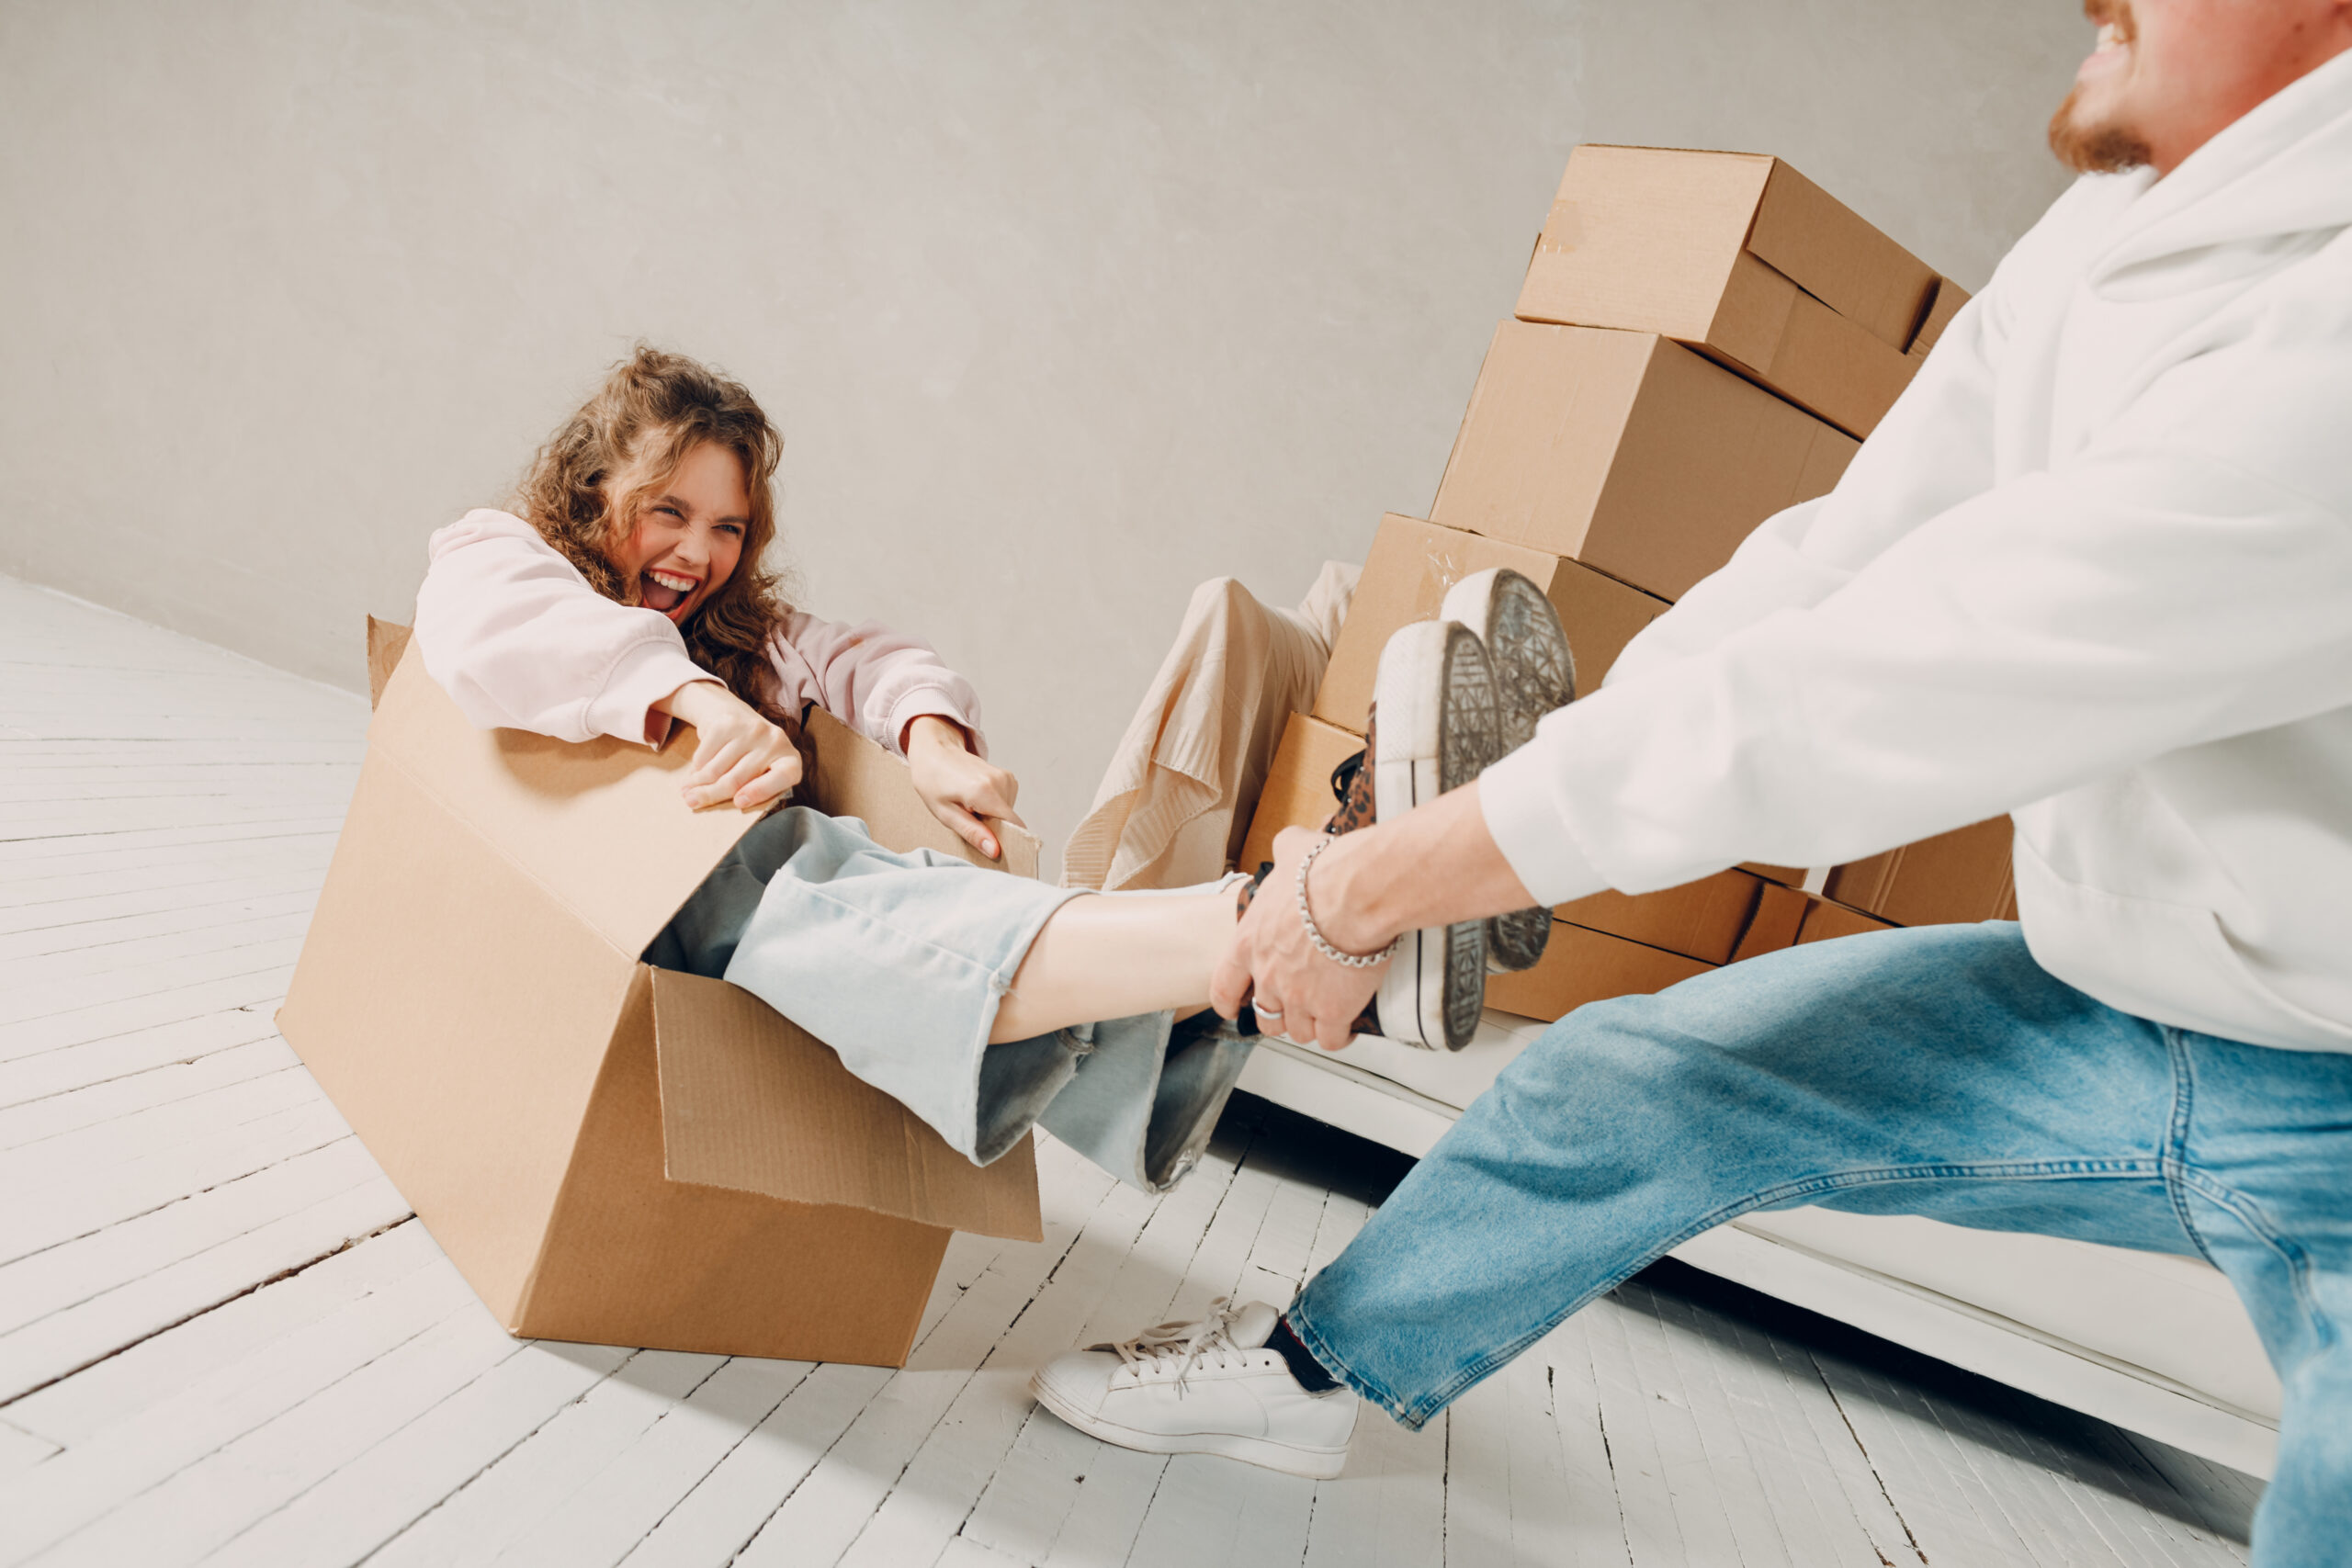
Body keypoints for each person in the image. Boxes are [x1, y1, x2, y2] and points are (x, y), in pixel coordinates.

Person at [1031, 3, 2352, 1560]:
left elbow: (1889, 688)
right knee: (1637, 1078)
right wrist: (1527, 777)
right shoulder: (2125, 217)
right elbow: (1845, 564)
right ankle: (1310, 1375)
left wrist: (1386, 881)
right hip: (2160, 1004)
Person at [407, 346, 1548, 1190]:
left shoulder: (743, 633)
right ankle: (1308, 916)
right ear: (591, 489)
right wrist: (697, 705)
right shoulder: (499, 556)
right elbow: (495, 624)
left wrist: (933, 744)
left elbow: (870, 660)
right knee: (788, 877)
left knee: (900, 888)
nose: (699, 555)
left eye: (730, 529)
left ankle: (1304, 956)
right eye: (669, 512)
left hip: (766, 924)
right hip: (631, 908)